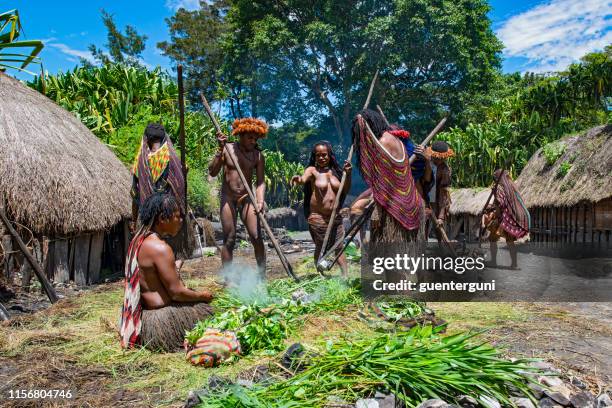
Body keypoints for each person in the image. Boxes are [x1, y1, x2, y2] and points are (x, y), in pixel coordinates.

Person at [120, 193, 213, 352]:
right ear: (162, 219)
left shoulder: (137, 240)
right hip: (162, 321)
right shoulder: (161, 248)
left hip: (145, 318)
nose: (181, 220)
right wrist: (202, 296)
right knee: (210, 314)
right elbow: (176, 294)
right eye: (177, 216)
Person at [351, 109, 425, 245]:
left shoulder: (380, 143)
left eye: (361, 131)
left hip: (394, 204)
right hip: (409, 200)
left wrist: (376, 206)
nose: (361, 135)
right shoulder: (395, 139)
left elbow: (382, 180)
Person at [208, 118, 267, 273]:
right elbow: (212, 172)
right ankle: (228, 278)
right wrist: (219, 150)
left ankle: (261, 276)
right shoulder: (227, 149)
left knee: (256, 236)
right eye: (250, 137)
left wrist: (260, 201)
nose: (253, 141)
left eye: (255, 138)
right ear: (240, 135)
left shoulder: (258, 156)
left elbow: (260, 182)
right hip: (228, 198)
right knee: (230, 238)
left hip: (247, 198)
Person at [291, 141, 352, 276]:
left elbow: (345, 189)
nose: (321, 158)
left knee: (339, 247)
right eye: (318, 155)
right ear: (314, 157)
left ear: (330, 156)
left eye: (324, 155)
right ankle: (321, 274)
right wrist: (298, 179)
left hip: (335, 217)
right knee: (321, 245)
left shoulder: (336, 172)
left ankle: (345, 277)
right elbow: (303, 179)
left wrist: (348, 174)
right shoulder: (312, 171)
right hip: (317, 217)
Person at [131, 123, 192, 257]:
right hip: (169, 217)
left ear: (146, 138)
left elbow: (134, 194)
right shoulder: (173, 159)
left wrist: (134, 221)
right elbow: (180, 186)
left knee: (150, 255)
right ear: (165, 137)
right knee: (174, 254)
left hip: (148, 219)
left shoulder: (139, 162)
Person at [482, 169, 530, 269]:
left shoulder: (500, 188)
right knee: (508, 241)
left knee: (493, 239)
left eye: (495, 179)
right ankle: (514, 264)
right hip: (511, 217)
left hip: (505, 218)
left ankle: (495, 262)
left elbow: (500, 202)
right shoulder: (511, 187)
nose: (494, 181)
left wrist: (494, 195)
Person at [425, 141, 454, 242]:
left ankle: (441, 251)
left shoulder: (445, 170)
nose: (441, 159)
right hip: (423, 199)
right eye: (438, 157)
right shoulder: (424, 163)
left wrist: (441, 216)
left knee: (439, 230)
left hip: (436, 203)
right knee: (423, 229)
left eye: (443, 158)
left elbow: (444, 193)